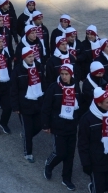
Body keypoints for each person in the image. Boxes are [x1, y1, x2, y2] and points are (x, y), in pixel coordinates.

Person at [78, 86, 108, 193]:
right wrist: (86, 163)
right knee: (99, 189)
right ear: (99, 104)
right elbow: (82, 143)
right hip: (96, 160)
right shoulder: (87, 120)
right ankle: (94, 187)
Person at [42, 63, 80, 191]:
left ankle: (66, 178)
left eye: (66, 74)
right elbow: (46, 107)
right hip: (58, 125)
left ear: (71, 74)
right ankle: (49, 164)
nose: (64, 77)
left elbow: (80, 106)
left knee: (70, 155)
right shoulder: (54, 88)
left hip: (72, 126)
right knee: (60, 153)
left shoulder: (76, 88)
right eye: (62, 74)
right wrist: (46, 125)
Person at [10, 47, 44, 163]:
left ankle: (25, 134)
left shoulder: (38, 67)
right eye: (29, 57)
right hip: (25, 105)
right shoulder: (18, 71)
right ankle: (28, 153)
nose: (31, 58)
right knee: (28, 129)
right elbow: (14, 90)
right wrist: (15, 106)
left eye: (32, 56)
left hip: (38, 103)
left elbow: (43, 83)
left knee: (39, 125)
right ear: (24, 57)